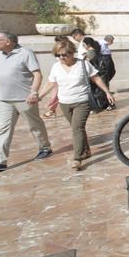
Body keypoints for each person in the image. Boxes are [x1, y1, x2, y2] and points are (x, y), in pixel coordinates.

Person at [0, 32, 53, 173]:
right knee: (3, 129)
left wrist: (34, 92)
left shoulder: (26, 53)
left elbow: (37, 74)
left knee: (35, 125)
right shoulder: (0, 53)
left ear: (8, 41)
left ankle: (45, 148)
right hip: (3, 99)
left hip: (24, 98)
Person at [38, 39, 114, 170]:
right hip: (64, 103)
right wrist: (39, 96)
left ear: (72, 53)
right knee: (77, 128)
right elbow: (51, 83)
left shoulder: (83, 64)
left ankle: (77, 158)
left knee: (76, 128)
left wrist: (107, 92)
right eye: (58, 55)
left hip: (82, 101)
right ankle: (86, 151)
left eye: (64, 54)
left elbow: (96, 78)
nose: (61, 57)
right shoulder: (55, 67)